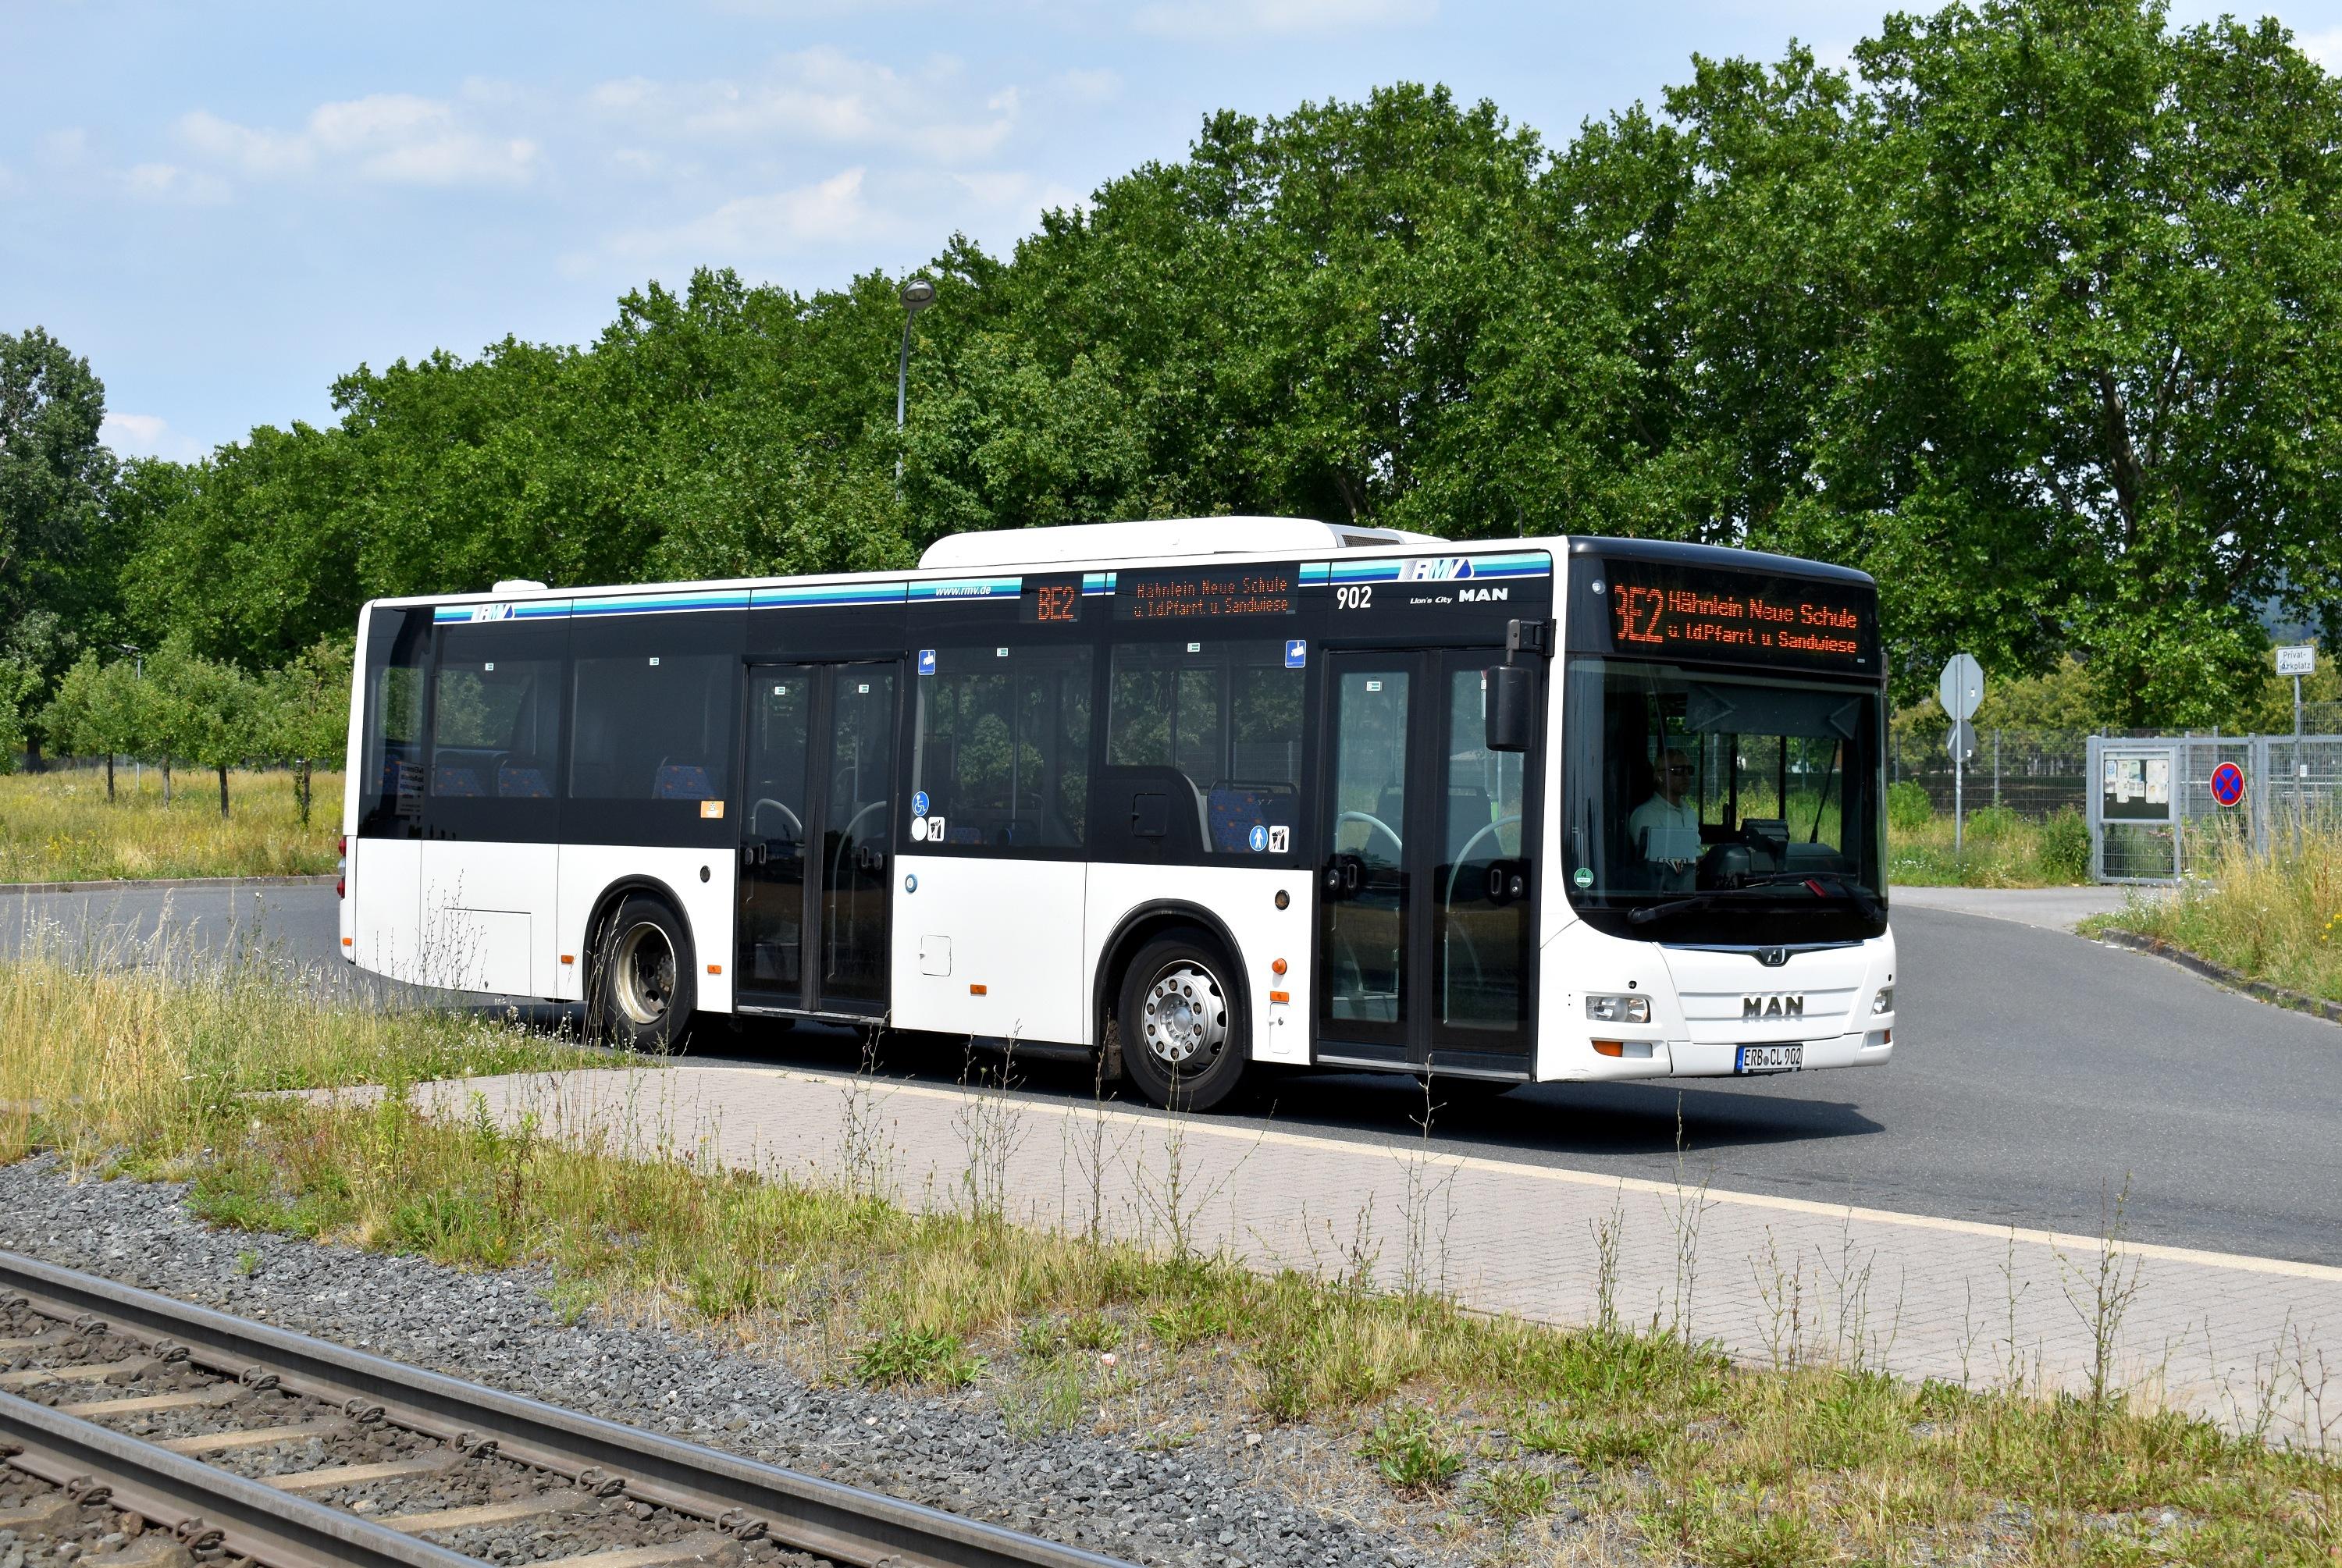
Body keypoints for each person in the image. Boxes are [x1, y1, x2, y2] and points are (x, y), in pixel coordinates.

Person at [1628, 747, 1700, 891]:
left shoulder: (1690, 813)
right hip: (1664, 896)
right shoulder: (1646, 814)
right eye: (1678, 771)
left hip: (1692, 888)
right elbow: (1652, 866)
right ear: (1659, 776)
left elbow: (1695, 852)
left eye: (1689, 770)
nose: (1686, 776)